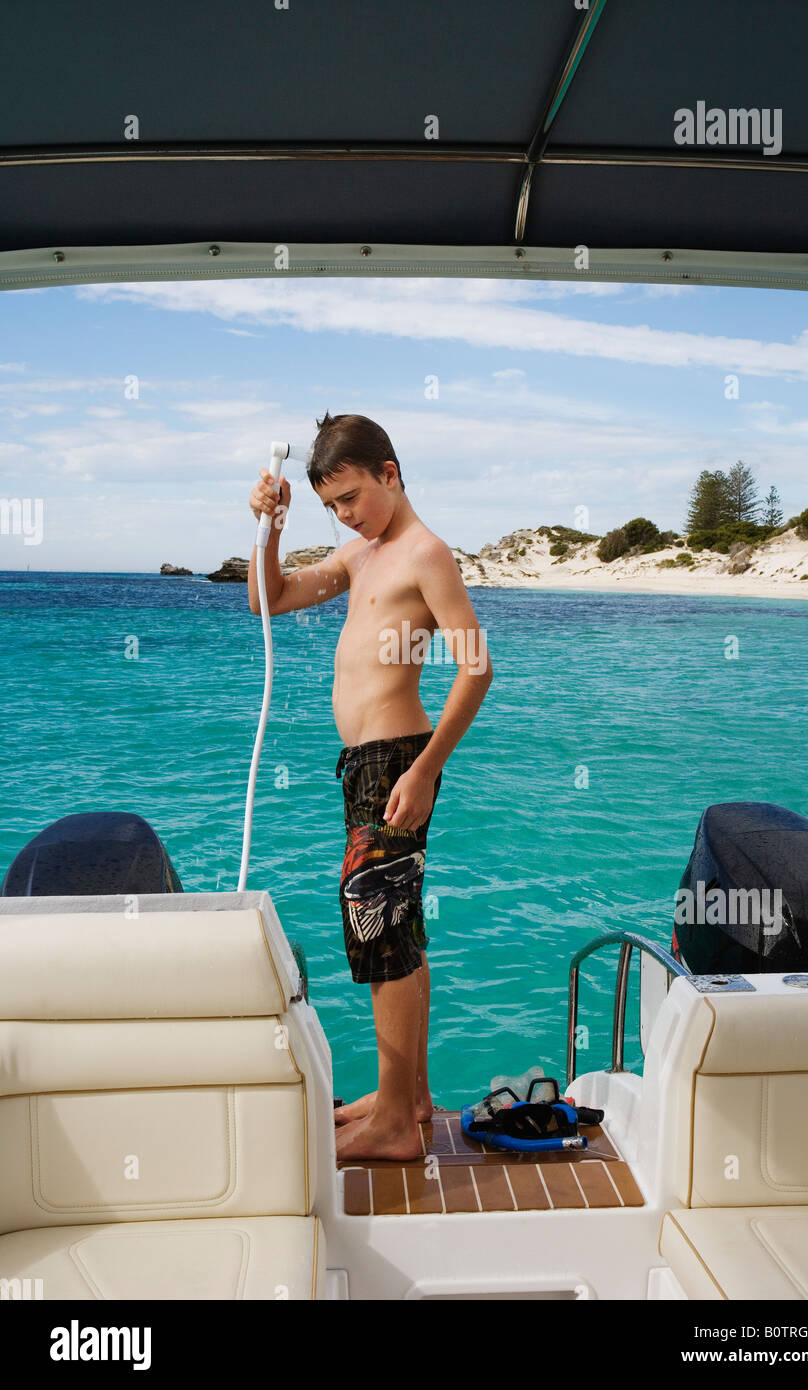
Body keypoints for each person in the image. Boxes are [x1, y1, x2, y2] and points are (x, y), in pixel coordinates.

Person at [248, 412, 493, 1160]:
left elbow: (475, 667)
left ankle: (393, 1123)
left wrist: (424, 771)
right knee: (398, 927)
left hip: (397, 762)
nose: (344, 515)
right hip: (366, 765)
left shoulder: (427, 554)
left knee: (376, 926)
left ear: (389, 471)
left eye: (351, 496)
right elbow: (270, 598)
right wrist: (271, 527)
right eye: (330, 505)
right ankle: (408, 1099)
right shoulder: (360, 557)